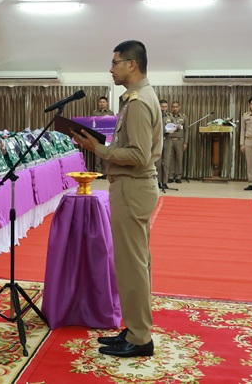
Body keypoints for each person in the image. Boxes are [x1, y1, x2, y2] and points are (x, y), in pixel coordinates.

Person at [71, 40, 160, 358]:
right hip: (133, 188)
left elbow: (138, 155)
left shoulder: (138, 102)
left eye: (115, 62)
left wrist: (98, 149)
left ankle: (140, 338)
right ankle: (136, 328)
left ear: (132, 65)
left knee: (131, 266)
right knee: (135, 264)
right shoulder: (138, 97)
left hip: (132, 187)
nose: (111, 69)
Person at [165, 101, 187, 183]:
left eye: (176, 107)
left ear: (179, 107)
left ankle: (178, 176)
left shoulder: (184, 117)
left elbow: (186, 130)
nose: (175, 108)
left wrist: (185, 142)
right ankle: (170, 176)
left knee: (179, 159)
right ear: (171, 108)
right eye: (173, 107)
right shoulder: (168, 117)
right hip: (169, 140)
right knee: (170, 159)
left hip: (179, 140)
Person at [92, 96, 114, 176]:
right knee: (98, 154)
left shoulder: (110, 113)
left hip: (107, 136)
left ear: (107, 103)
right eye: (100, 102)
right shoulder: (95, 113)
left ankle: (105, 173)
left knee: (105, 153)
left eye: (104, 102)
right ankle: (98, 173)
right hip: (97, 135)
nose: (102, 104)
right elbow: (92, 123)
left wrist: (108, 118)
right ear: (98, 103)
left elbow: (112, 124)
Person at [158, 99, 170, 190]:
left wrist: (176, 128)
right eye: (162, 107)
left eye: (165, 107)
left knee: (166, 163)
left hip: (167, 140)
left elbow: (175, 126)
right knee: (157, 163)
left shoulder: (170, 117)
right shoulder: (155, 116)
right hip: (158, 141)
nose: (164, 108)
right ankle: (158, 181)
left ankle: (165, 182)